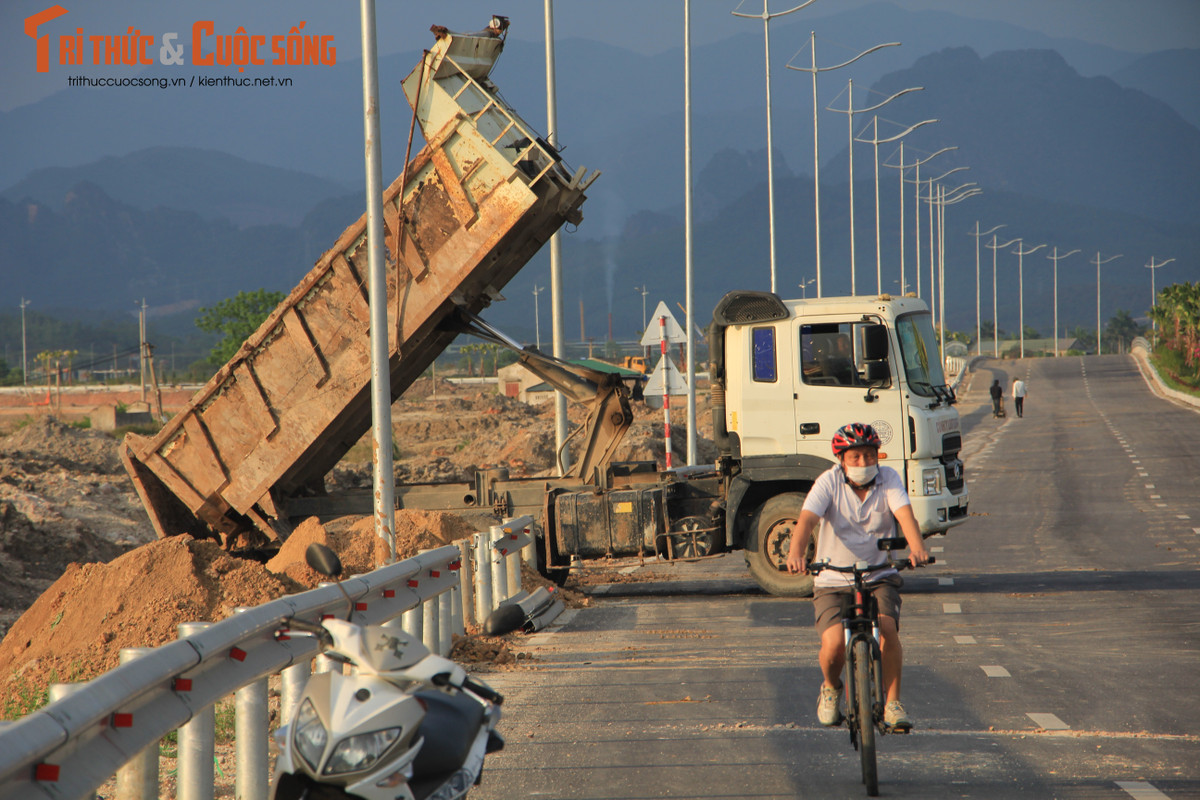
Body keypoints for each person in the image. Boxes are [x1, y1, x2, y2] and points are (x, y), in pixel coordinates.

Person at [786, 422, 931, 733]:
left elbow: (905, 514)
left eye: (869, 456)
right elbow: (807, 520)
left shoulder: (889, 478)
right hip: (831, 578)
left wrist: (917, 547)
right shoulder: (828, 482)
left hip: (879, 574)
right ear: (841, 458)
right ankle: (830, 688)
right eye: (855, 457)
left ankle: (892, 703)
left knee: (888, 630)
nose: (863, 463)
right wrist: (796, 552)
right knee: (834, 643)